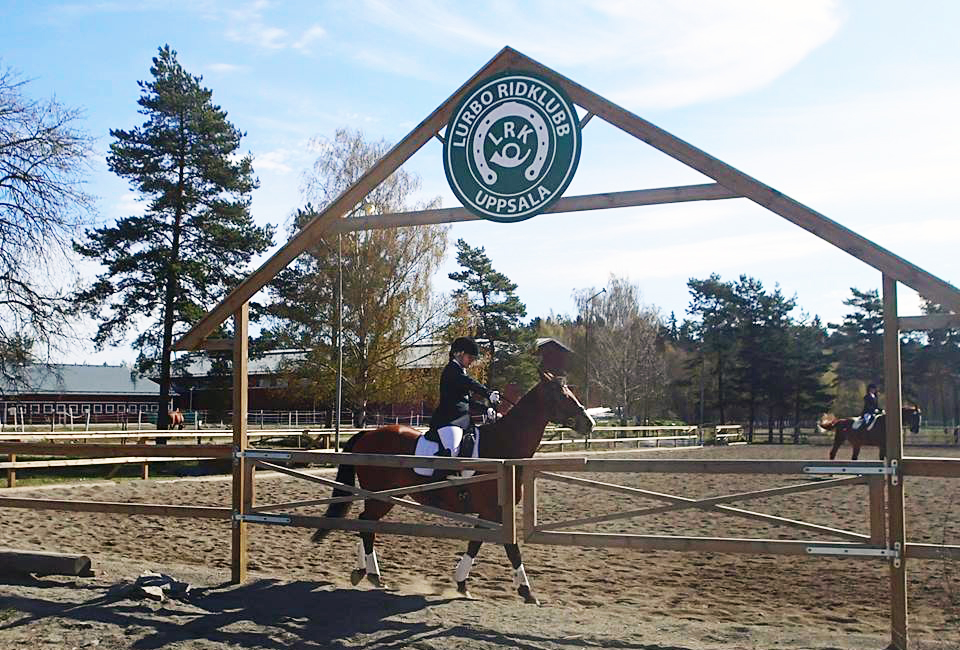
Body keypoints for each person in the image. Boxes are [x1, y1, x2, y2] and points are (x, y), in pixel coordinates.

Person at [429, 337, 499, 459]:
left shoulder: (461, 372)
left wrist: (485, 409)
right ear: (459, 354)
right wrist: (488, 393)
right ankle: (438, 477)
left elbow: (467, 401)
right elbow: (469, 382)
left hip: (463, 421)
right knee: (452, 450)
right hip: (448, 420)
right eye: (470, 357)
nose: (472, 361)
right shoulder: (451, 370)